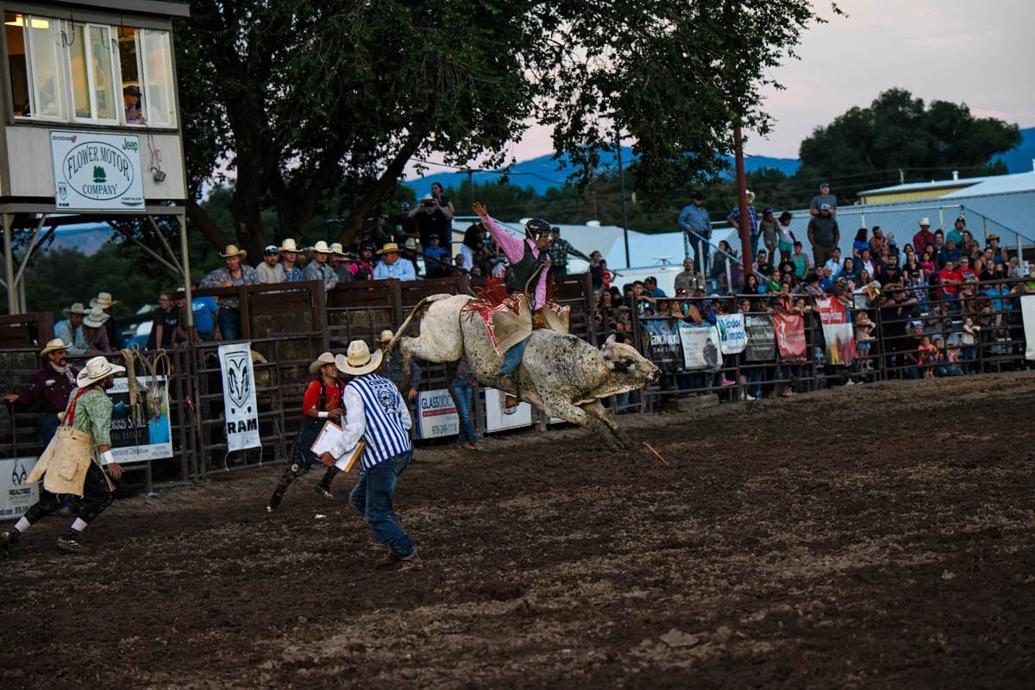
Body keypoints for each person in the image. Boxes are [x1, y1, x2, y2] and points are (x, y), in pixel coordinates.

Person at [2, 356, 126, 554]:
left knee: (51, 499)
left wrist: (111, 409)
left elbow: (72, 415)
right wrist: (110, 461)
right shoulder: (99, 399)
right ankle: (69, 536)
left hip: (62, 446)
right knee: (103, 495)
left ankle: (13, 533)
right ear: (103, 379)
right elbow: (102, 431)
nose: (113, 378)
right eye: (111, 376)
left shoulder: (77, 391)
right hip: (77, 452)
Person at [321, 340, 419, 570]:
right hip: (402, 450)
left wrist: (334, 452)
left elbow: (355, 429)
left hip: (382, 457)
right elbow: (406, 420)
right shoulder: (387, 383)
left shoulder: (354, 390)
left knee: (375, 513)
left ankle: (406, 551)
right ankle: (394, 534)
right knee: (359, 498)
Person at [471, 202, 557, 401]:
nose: (548, 239)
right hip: (513, 298)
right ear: (535, 236)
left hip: (531, 300)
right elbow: (499, 233)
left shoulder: (546, 257)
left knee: (556, 323)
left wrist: (539, 306)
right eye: (545, 235)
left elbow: (541, 283)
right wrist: (486, 217)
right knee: (525, 330)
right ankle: (506, 371)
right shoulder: (518, 247)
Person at [266, 353, 346, 512]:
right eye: (331, 365)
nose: (334, 368)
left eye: (335, 365)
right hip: (313, 428)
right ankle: (277, 495)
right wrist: (328, 414)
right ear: (323, 369)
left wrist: (340, 412)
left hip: (328, 428)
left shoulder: (340, 386)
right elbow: (307, 408)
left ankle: (324, 483)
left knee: (341, 457)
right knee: (297, 466)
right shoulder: (316, 386)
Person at [3, 339, 78, 447]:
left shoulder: (73, 373)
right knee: (52, 450)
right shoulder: (43, 376)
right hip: (54, 419)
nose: (64, 355)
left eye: (64, 352)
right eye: (60, 353)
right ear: (51, 356)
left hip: (73, 418)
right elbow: (32, 394)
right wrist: (18, 397)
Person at [200, 244, 261, 340]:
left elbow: (259, 288)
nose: (231, 262)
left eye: (234, 259)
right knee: (230, 340)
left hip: (247, 310)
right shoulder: (219, 273)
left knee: (248, 339)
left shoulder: (250, 271)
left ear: (239, 259)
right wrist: (220, 285)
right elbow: (203, 284)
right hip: (227, 311)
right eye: (228, 259)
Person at [378, 330, 421, 402]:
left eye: (388, 342)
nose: (386, 345)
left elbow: (416, 370)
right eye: (384, 343)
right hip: (386, 395)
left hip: (400, 394)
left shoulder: (402, 356)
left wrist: (413, 388)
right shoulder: (379, 359)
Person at [449, 357, 480, 451]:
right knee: (465, 414)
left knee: (465, 414)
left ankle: (462, 440)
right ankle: (473, 440)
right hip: (462, 380)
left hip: (463, 380)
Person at [677, 192, 712, 271]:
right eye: (697, 199)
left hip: (705, 234)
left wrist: (710, 232)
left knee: (705, 254)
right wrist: (687, 226)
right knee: (699, 253)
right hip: (694, 234)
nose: (698, 201)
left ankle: (703, 273)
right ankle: (697, 272)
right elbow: (680, 220)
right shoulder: (687, 209)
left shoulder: (704, 211)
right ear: (694, 200)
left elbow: (708, 223)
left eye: (700, 200)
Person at [726, 190, 759, 260]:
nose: (746, 198)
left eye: (747, 197)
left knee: (754, 252)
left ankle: (752, 267)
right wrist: (733, 222)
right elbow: (729, 217)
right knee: (747, 252)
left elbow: (756, 217)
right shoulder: (737, 208)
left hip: (754, 233)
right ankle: (748, 267)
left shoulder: (753, 207)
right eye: (745, 197)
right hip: (745, 234)